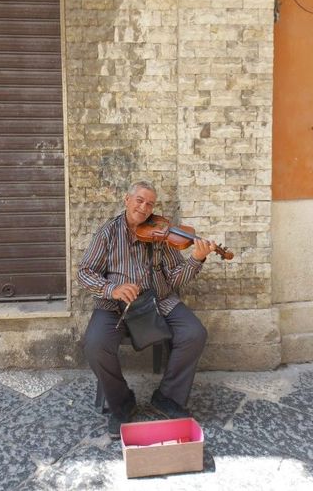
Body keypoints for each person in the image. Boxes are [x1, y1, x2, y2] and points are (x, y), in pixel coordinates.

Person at [78, 180, 217, 438]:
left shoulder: (161, 234)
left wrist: (195, 260)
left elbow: (174, 278)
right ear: (127, 200)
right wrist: (112, 289)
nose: (144, 208)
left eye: (150, 203)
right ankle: (121, 403)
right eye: (139, 200)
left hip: (160, 300)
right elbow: (85, 273)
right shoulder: (107, 233)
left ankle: (167, 397)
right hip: (116, 305)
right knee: (95, 344)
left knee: (194, 333)